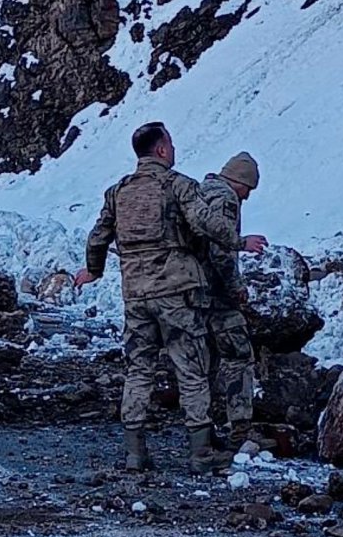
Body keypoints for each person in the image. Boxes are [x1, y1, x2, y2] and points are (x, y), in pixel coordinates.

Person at [73, 122, 259, 474]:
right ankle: (201, 454)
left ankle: (135, 452)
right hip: (177, 292)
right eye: (171, 144)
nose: (173, 150)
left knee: (139, 369)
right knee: (191, 370)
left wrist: (94, 270)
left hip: (135, 294)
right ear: (161, 150)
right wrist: (239, 241)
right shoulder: (178, 185)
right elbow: (205, 223)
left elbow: (98, 236)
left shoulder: (118, 191)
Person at [200, 152, 268, 450]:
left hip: (191, 291)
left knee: (206, 358)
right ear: (239, 181)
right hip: (216, 293)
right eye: (248, 189)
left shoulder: (200, 193)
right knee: (239, 354)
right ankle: (240, 429)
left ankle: (204, 424)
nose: (247, 198)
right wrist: (235, 286)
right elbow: (220, 251)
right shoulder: (226, 200)